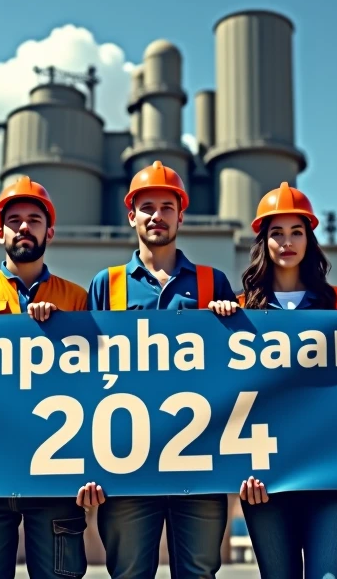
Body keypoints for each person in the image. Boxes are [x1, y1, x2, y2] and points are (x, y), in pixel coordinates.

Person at [87, 160, 237, 579]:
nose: (157, 215)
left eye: (166, 206)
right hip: (128, 464)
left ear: (181, 214)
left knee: (199, 573)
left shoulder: (213, 283)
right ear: (131, 214)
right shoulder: (107, 284)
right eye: (147, 206)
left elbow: (237, 368)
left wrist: (231, 318)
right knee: (130, 573)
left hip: (199, 460)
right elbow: (84, 377)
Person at [206, 182, 337, 578]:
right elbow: (223, 395)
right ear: (264, 241)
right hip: (266, 481)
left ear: (310, 239)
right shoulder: (242, 309)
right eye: (277, 233)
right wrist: (216, 324)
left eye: (296, 232)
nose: (287, 242)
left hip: (333, 477)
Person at [0, 176, 95, 579]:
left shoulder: (77, 299)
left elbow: (93, 388)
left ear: (50, 231)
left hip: (55, 471)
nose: (24, 227)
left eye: (34, 219)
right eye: (14, 220)